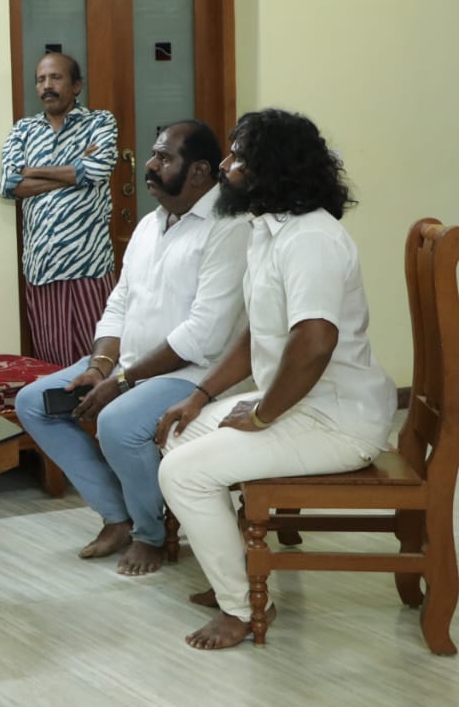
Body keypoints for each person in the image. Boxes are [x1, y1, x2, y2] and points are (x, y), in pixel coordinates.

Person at [156, 109, 396, 650]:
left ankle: (241, 608)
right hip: (294, 403)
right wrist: (199, 396)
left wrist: (263, 416)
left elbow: (314, 342)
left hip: (337, 420)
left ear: (273, 167)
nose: (225, 164)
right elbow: (258, 333)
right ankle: (236, 573)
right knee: (178, 434)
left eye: (238, 156)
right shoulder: (267, 229)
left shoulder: (311, 238)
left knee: (182, 474)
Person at [15, 121, 249, 575]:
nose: (150, 164)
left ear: (200, 171)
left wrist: (123, 381)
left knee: (118, 422)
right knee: (34, 402)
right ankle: (118, 516)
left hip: (194, 375)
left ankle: (150, 534)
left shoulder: (229, 228)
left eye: (164, 157)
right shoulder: (149, 224)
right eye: (154, 154)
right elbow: (119, 304)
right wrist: (101, 367)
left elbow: (203, 335)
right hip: (132, 366)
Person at [0, 51, 119, 366]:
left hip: (89, 265)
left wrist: (32, 170)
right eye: (40, 80)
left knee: (97, 362)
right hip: (42, 267)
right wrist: (74, 170)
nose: (47, 86)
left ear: (76, 85)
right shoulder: (23, 130)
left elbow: (97, 170)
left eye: (55, 78)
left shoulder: (99, 122)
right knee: (51, 365)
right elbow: (9, 184)